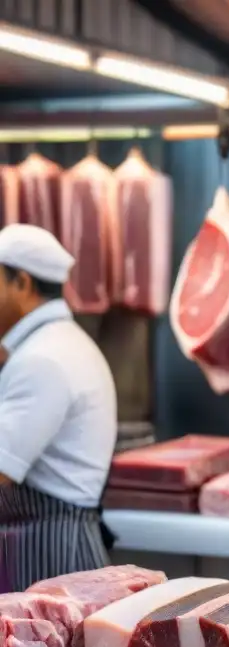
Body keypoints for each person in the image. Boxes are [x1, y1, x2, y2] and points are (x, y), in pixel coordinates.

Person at [0, 224, 117, 591]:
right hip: (52, 546)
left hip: (53, 556)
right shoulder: (57, 345)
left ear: (21, 283)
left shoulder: (43, 358)